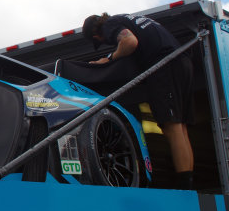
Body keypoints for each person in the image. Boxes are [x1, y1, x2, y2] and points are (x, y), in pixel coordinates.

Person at [82, 12, 195, 189]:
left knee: (171, 127)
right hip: (182, 61)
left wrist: (109, 58)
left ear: (97, 35)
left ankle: (184, 186)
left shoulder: (110, 25)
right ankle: (187, 181)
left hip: (165, 66)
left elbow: (129, 42)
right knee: (181, 128)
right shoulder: (127, 18)